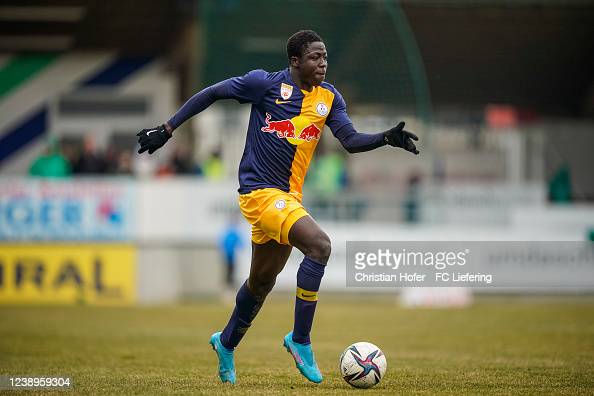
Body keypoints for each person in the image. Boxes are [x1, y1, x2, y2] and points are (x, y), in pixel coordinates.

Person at [137, 30, 419, 384]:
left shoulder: (329, 98)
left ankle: (225, 343)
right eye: (315, 57)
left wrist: (385, 138)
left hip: (287, 200)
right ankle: (300, 339)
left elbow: (349, 140)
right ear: (295, 61)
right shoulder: (264, 84)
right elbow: (212, 93)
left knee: (261, 282)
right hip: (259, 194)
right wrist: (168, 128)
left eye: (326, 57)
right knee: (320, 246)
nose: (322, 64)